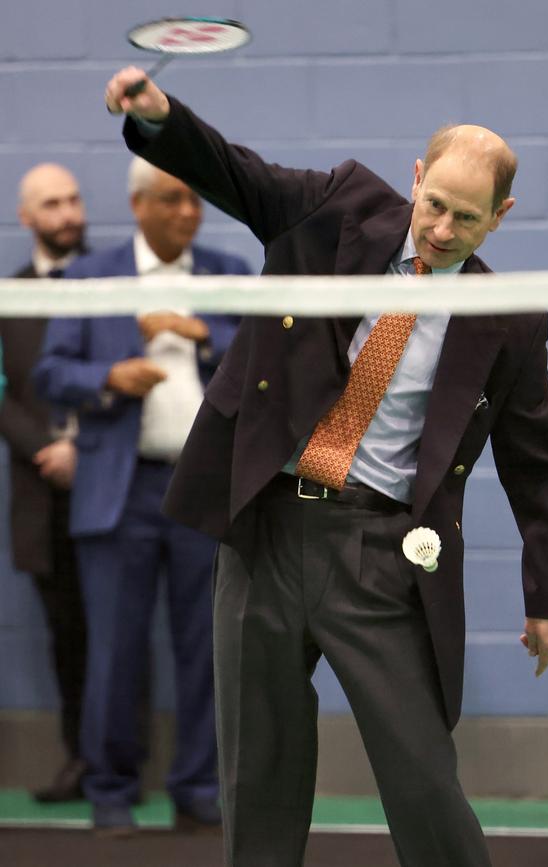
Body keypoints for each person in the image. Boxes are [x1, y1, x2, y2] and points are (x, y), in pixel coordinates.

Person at [104, 68, 548, 866]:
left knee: (426, 780)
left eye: (467, 219)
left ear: (499, 219)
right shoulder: (336, 206)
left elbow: (543, 460)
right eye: (434, 205)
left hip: (379, 556)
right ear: (417, 179)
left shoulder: (508, 316)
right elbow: (236, 172)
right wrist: (160, 122)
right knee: (259, 780)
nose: (439, 231)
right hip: (264, 529)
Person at [33, 156, 251, 835]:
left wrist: (206, 335)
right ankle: (110, 788)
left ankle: (196, 787)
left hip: (203, 488)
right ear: (137, 204)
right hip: (118, 490)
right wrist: (111, 376)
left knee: (206, 647)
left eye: (196, 200)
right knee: (114, 649)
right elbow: (49, 370)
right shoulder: (92, 276)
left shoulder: (227, 276)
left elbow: (266, 367)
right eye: (173, 198)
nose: (189, 212)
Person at [0, 163, 87, 802]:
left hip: (110, 484)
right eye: (52, 204)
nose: (68, 214)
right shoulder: (10, 297)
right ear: (28, 217)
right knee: (66, 632)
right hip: (40, 492)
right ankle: (80, 759)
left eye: (74, 200)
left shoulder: (112, 283)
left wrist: (83, 449)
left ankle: (120, 760)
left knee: (120, 627)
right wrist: (47, 450)